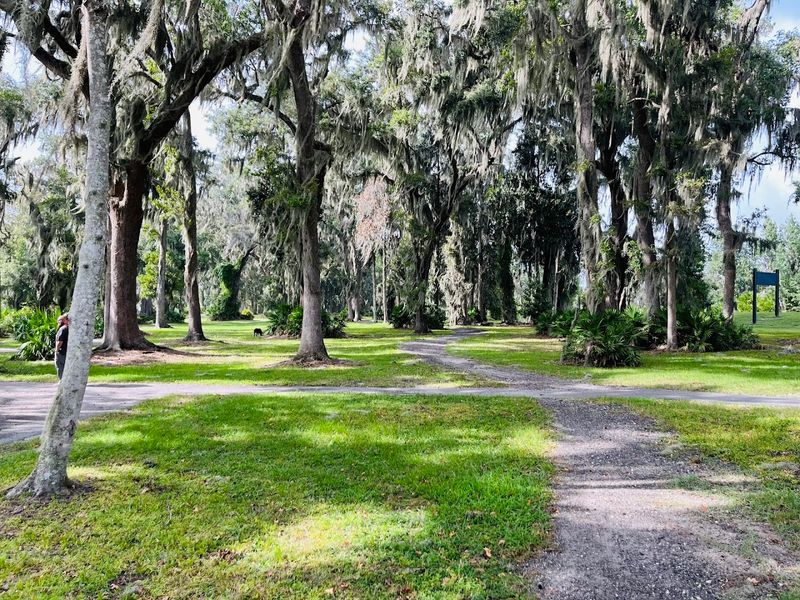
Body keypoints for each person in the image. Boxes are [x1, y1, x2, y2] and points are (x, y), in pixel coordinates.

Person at [55, 314, 70, 380]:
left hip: (62, 352)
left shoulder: (63, 329)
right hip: (67, 351)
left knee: (60, 366)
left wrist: (56, 350)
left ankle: (62, 380)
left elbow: (60, 341)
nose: (58, 322)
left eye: (60, 320)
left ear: (65, 320)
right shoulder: (69, 328)